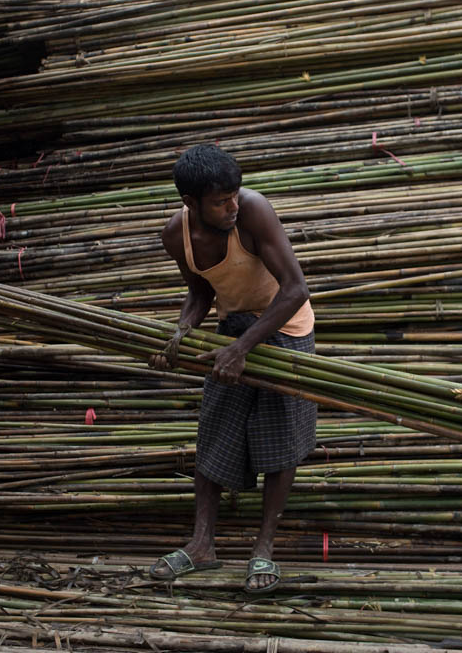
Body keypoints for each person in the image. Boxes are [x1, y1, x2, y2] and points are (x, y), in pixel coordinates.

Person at [147, 143, 317, 594]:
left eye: (234, 196)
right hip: (235, 327)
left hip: (286, 327)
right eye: (221, 202)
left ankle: (263, 548)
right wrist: (178, 335)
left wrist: (241, 347)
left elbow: (295, 289)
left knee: (281, 437)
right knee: (215, 429)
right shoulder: (175, 235)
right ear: (191, 203)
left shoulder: (254, 212)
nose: (232, 207)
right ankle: (202, 545)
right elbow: (202, 293)